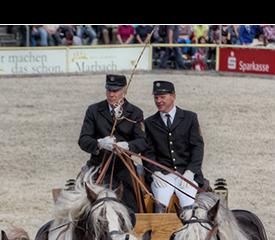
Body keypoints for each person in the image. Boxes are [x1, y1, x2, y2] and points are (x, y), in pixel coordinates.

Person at [78, 74, 150, 219]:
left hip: (124, 167)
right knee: (86, 209)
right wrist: (99, 143)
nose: (111, 95)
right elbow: (83, 140)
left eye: (115, 91)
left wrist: (127, 146)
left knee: (131, 207)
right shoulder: (93, 110)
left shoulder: (135, 113)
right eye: (109, 90)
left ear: (123, 91)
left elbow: (142, 141)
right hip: (99, 166)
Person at [143, 80, 205, 212]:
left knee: (188, 200)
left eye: (162, 97)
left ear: (173, 97)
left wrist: (191, 171)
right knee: (161, 197)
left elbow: (197, 147)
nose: (158, 101)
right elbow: (148, 152)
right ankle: (160, 231)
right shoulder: (149, 123)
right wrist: (155, 172)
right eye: (156, 97)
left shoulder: (189, 118)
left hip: (186, 173)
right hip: (164, 174)